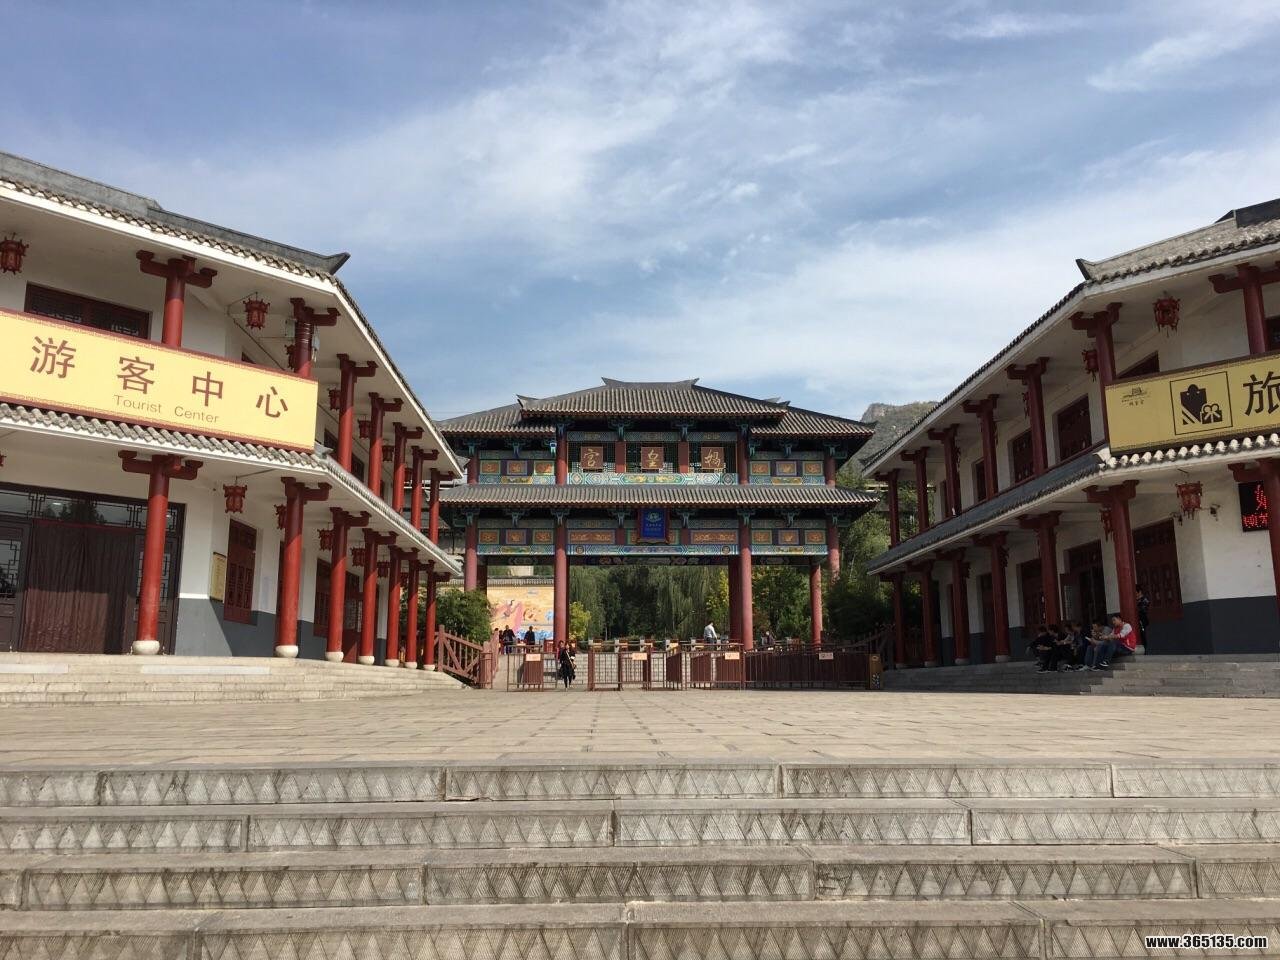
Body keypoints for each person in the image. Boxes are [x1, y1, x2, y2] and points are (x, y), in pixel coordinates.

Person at [1135, 586, 1151, 651]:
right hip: (1137, 620)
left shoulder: (1145, 599)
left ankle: (1145, 649)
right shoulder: (1135, 600)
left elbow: (1143, 609)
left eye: (1136, 593)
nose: (1135, 594)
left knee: (1143, 634)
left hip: (1142, 620)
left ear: (1140, 592)